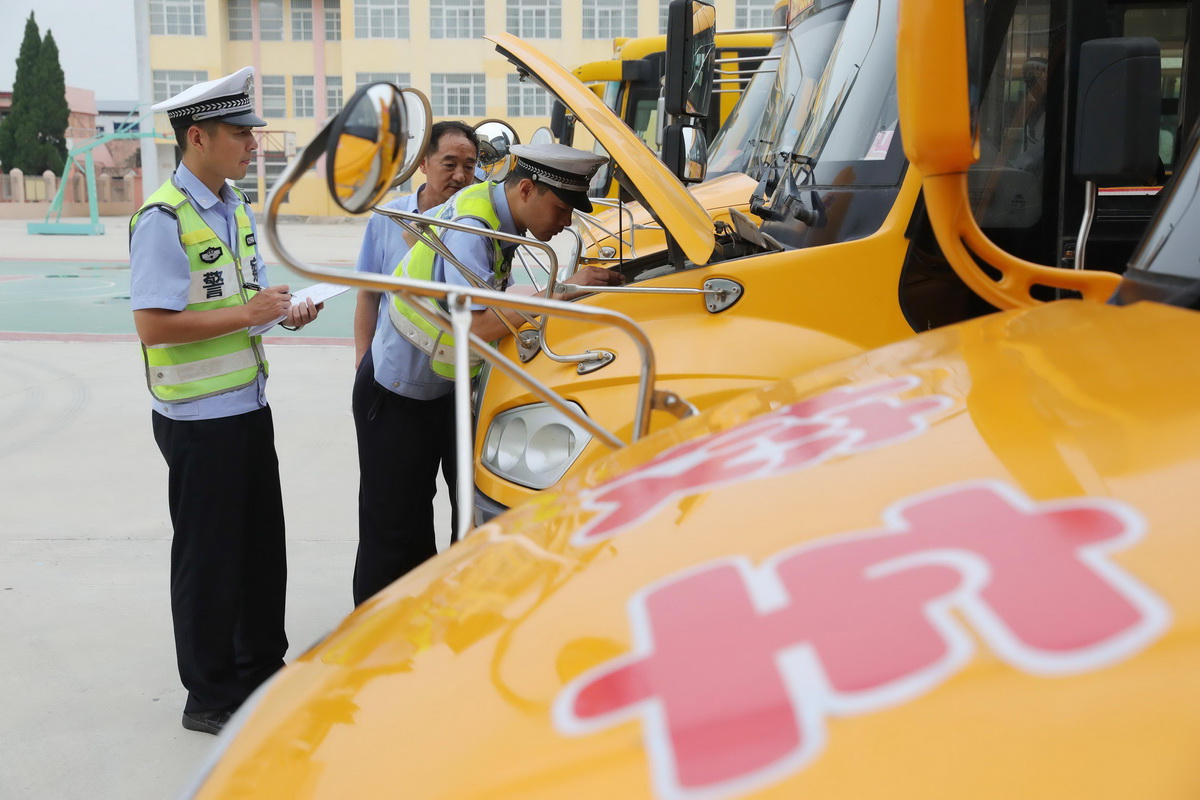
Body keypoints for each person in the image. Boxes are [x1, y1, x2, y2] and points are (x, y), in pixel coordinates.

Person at [128, 67, 321, 735]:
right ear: (199, 137)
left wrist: (281, 313)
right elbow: (153, 324)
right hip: (197, 420)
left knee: (261, 548)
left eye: (253, 133)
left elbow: (245, 306)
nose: (253, 144)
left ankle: (261, 668)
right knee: (209, 557)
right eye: (241, 134)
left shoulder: (234, 207)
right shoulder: (163, 217)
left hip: (246, 406)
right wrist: (248, 314)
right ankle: (208, 695)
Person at [352, 141, 622, 606]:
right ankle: (370, 655)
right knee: (393, 536)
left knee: (449, 526)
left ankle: (428, 637)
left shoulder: (498, 216)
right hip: (396, 391)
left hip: (441, 388)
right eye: (559, 209)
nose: (564, 224)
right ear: (526, 188)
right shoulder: (474, 228)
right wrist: (557, 292)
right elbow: (474, 325)